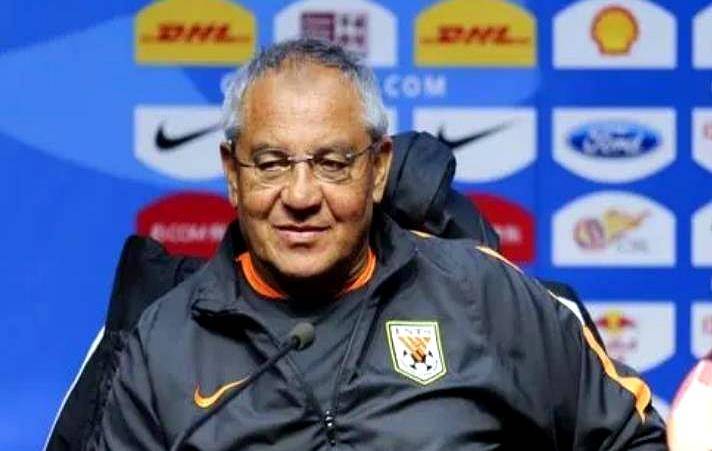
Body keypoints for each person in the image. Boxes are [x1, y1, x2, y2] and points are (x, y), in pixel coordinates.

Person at [88, 38, 666, 449]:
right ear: (232, 174)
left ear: (378, 168)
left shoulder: (480, 293)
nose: (301, 195)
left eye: (333, 163)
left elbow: (631, 436)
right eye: (271, 163)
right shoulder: (164, 341)